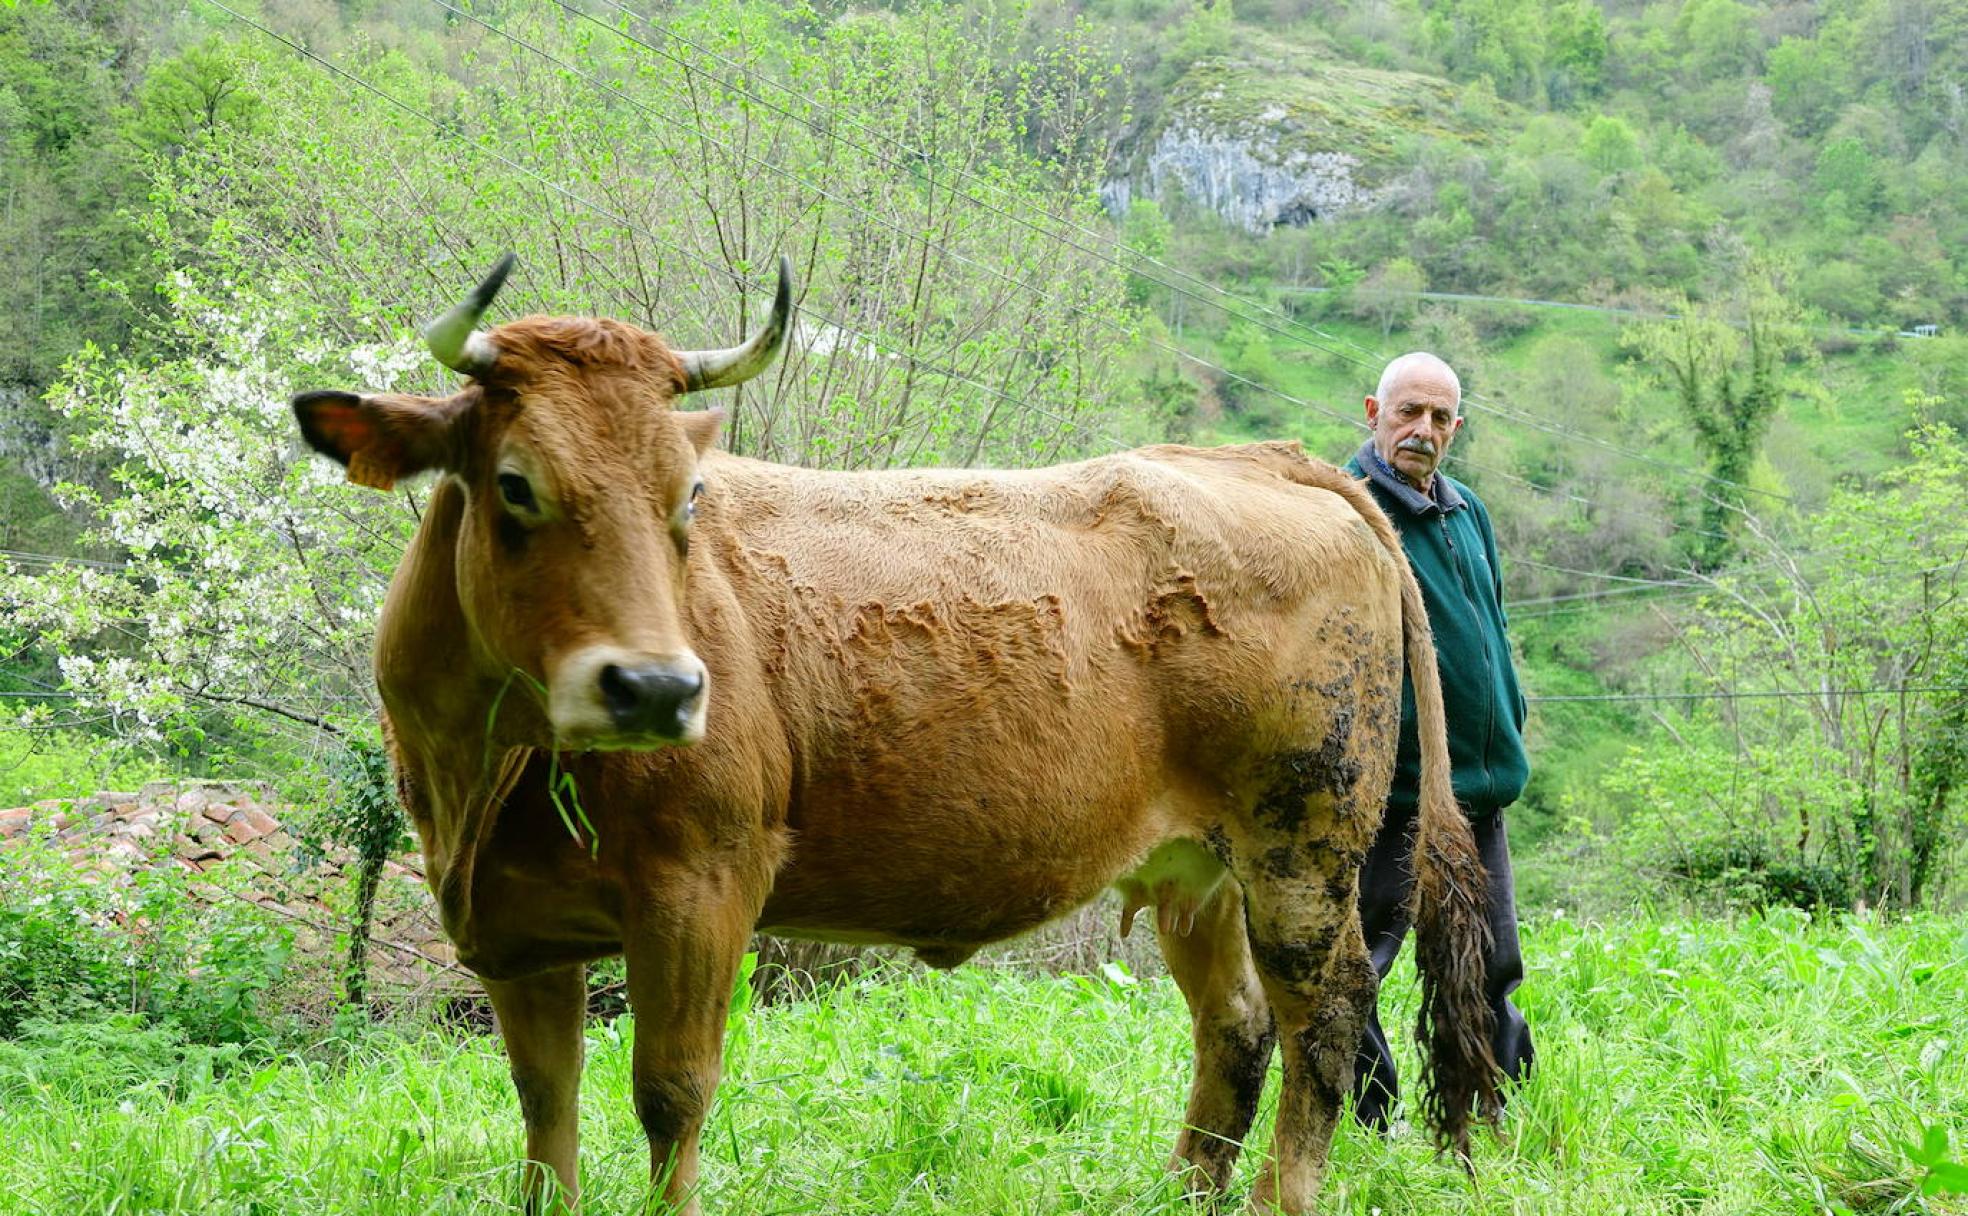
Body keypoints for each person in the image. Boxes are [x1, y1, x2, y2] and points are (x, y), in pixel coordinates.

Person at [1341, 351, 1534, 1128]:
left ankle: (1492, 1113)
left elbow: (1493, 627)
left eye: (1439, 417)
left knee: (1490, 966)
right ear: (1371, 413)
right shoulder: (1347, 515)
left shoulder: (1468, 511)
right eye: (1407, 413)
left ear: (1458, 427)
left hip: (1478, 792)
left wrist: (1508, 712)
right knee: (1358, 968)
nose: (1422, 430)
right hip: (1392, 793)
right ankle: (1364, 1123)